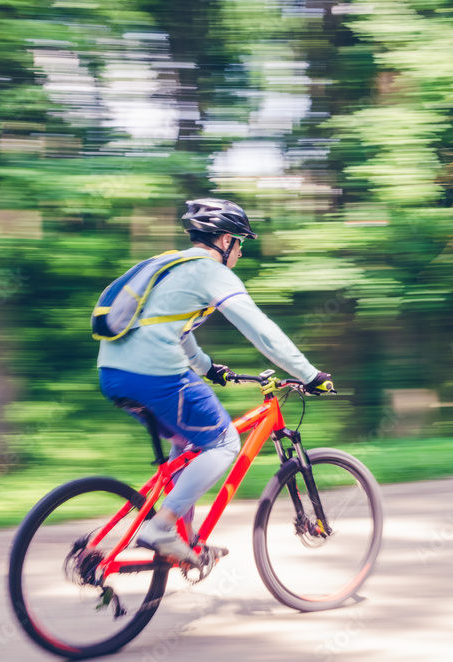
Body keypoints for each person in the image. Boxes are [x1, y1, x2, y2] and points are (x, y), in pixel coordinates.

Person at [97, 198, 332, 565]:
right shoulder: (213, 272)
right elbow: (261, 331)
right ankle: (161, 527)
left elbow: (172, 327)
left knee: (189, 442)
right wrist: (309, 375)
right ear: (224, 241)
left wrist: (206, 367)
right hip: (155, 375)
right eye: (240, 242)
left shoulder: (171, 264)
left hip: (112, 374)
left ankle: (186, 541)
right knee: (224, 442)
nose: (240, 252)